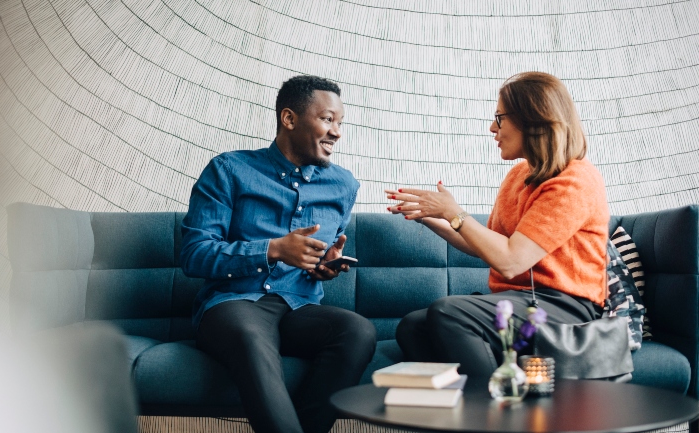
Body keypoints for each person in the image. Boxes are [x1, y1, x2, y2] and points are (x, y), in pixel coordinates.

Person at [180, 75, 376, 433]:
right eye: (327, 119)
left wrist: (324, 265)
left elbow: (316, 257)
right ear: (289, 119)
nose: (337, 132)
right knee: (251, 336)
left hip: (299, 308)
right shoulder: (229, 170)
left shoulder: (343, 185)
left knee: (357, 331)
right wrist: (273, 250)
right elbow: (195, 254)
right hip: (232, 303)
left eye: (340, 123)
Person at [387, 71, 609, 378]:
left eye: (500, 118)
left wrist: (455, 213)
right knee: (414, 327)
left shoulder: (574, 181)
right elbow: (485, 246)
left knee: (449, 312)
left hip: (566, 307)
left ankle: (495, 416)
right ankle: (477, 403)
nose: (493, 128)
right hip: (518, 303)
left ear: (534, 120)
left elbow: (510, 260)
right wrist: (432, 215)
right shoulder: (517, 176)